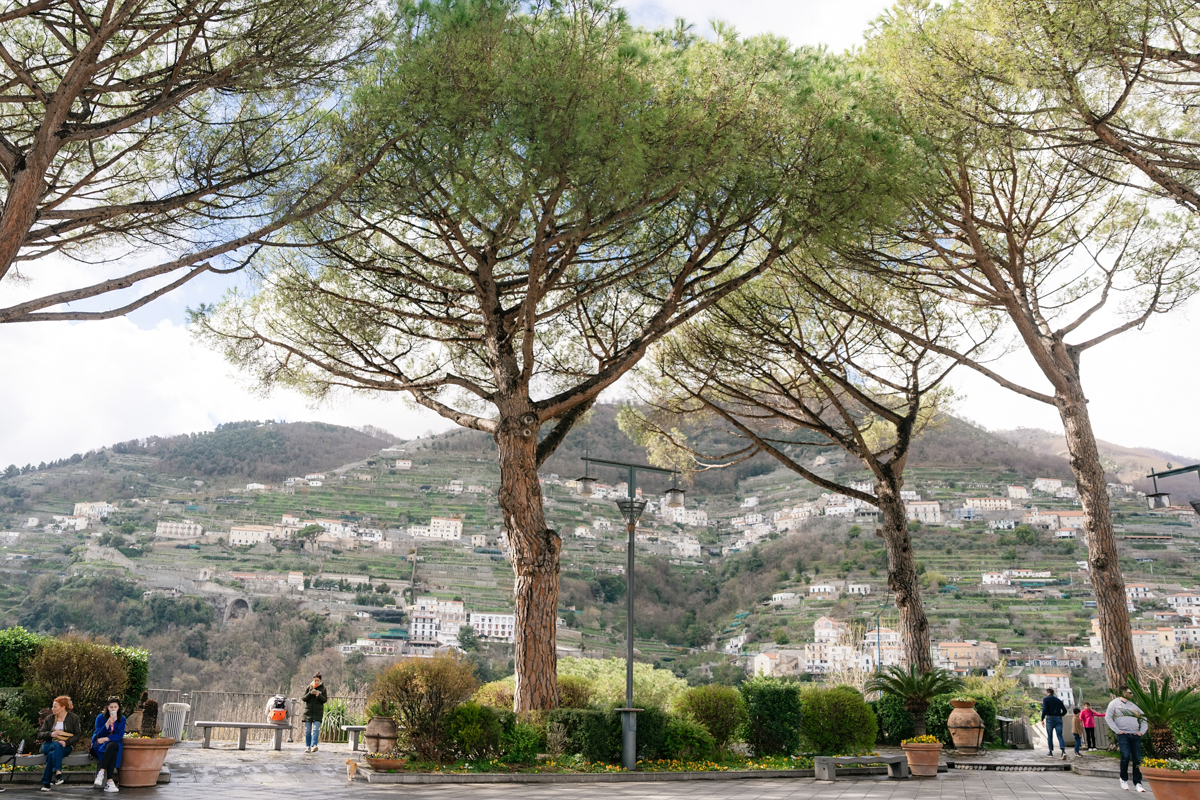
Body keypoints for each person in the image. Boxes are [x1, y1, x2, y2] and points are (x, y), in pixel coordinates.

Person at [1107, 686, 1148, 792]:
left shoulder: (1133, 704)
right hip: (1123, 735)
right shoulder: (1114, 703)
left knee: (1137, 759)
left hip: (1135, 735)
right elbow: (1108, 717)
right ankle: (1123, 779)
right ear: (1123, 693)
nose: (1132, 694)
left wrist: (1141, 732)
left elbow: (1144, 718)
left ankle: (1138, 783)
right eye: (1130, 693)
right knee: (1125, 755)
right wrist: (1117, 730)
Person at [36, 696, 81, 792]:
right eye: (52, 706)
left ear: (63, 707)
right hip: (49, 745)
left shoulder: (73, 718)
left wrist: (66, 742)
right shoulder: (50, 719)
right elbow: (40, 734)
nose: (52, 709)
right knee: (56, 745)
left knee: (53, 754)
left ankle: (46, 782)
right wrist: (51, 734)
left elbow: (77, 735)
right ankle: (58, 772)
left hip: (65, 747)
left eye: (55, 707)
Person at [91, 696, 125, 794]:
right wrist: (108, 723)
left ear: (118, 708)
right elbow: (98, 734)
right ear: (107, 707)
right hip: (100, 745)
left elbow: (119, 736)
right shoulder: (100, 718)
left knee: (113, 745)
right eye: (111, 707)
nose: (113, 709)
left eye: (115, 707)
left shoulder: (122, 719)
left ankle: (101, 772)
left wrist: (106, 738)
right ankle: (109, 781)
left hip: (111, 742)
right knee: (113, 750)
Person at [301, 674, 328, 754]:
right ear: (313, 680)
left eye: (318, 681)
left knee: (316, 729)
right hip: (308, 712)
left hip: (318, 712)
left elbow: (324, 700)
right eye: (315, 680)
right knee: (308, 730)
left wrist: (318, 695)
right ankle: (308, 746)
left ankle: (314, 745)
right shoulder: (309, 687)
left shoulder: (323, 689)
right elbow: (304, 698)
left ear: (320, 681)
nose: (316, 682)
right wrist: (310, 693)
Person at [1040, 687, 1068, 759]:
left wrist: (1042, 719)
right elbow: (1065, 711)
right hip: (1058, 719)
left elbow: (1045, 710)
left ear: (1047, 693)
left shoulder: (1045, 699)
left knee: (1050, 736)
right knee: (1060, 735)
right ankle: (1063, 751)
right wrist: (1060, 715)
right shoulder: (1058, 700)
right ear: (1053, 693)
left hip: (1050, 718)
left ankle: (1050, 752)